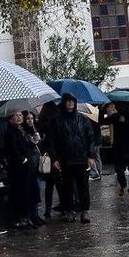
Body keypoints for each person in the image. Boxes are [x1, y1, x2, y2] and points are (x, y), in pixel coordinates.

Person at [48, 94, 96, 222]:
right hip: (65, 158)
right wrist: (55, 158)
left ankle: (84, 211)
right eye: (68, 101)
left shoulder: (83, 119)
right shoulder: (56, 120)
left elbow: (90, 138)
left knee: (83, 187)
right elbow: (51, 140)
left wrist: (90, 156)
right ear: (64, 103)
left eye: (72, 101)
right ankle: (70, 210)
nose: (70, 103)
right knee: (67, 187)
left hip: (81, 158)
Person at [106, 100, 129, 200]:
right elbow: (102, 121)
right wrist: (103, 110)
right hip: (119, 148)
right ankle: (122, 185)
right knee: (119, 171)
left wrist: (125, 122)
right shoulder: (115, 116)